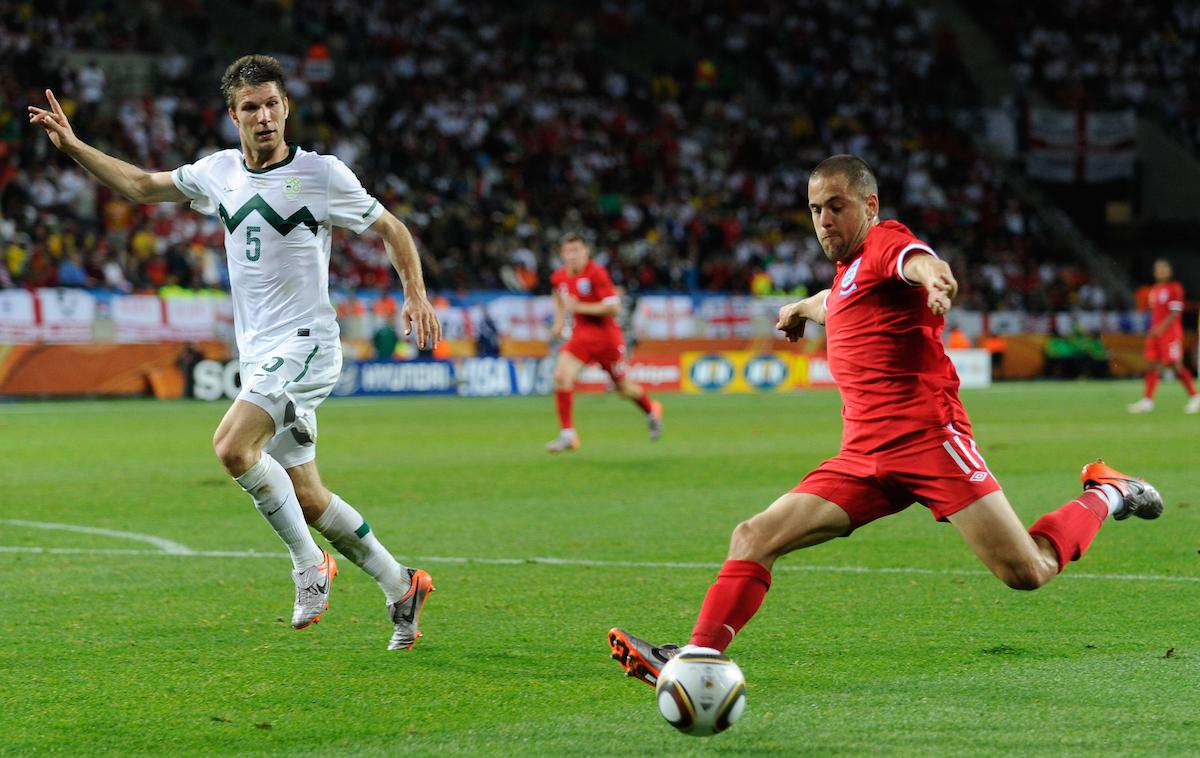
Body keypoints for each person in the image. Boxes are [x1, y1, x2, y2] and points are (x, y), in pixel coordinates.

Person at [608, 155, 1163, 685]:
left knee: (1028, 571)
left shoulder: (883, 243)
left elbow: (917, 260)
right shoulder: (849, 275)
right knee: (753, 535)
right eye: (815, 210)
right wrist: (798, 309)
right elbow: (834, 300)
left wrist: (936, 279)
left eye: (837, 206)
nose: (825, 220)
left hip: (929, 441)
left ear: (869, 206)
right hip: (863, 458)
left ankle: (1108, 491)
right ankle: (697, 656)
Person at [30, 55, 442, 650]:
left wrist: (416, 294)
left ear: (286, 108)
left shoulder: (322, 175)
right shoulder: (218, 172)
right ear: (234, 115)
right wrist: (72, 145)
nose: (265, 115)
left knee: (231, 446)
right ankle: (401, 584)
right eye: (251, 107)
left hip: (306, 345)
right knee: (307, 494)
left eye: (273, 103)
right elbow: (142, 187)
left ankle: (309, 566)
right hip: (260, 354)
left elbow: (391, 228)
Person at [545, 233, 663, 452]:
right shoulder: (559, 277)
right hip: (581, 338)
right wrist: (559, 322)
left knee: (623, 388)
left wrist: (579, 307)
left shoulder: (596, 274)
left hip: (607, 340)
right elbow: (559, 296)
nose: (572, 256)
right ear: (562, 254)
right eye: (568, 251)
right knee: (561, 376)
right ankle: (568, 434)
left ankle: (651, 410)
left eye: (577, 250)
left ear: (586, 252)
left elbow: (613, 307)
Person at [1127, 258, 1199, 414]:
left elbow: (1176, 312)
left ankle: (1195, 397)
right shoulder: (1155, 289)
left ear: (1170, 271)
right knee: (1152, 364)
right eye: (1157, 269)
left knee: (1176, 365)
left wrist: (1161, 328)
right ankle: (1147, 401)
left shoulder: (1175, 288)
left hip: (1170, 333)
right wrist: (1154, 329)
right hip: (1155, 333)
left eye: (1163, 268)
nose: (1160, 271)